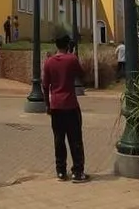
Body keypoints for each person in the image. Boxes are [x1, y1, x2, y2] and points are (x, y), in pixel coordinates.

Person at [42, 35, 89, 183]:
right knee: (75, 139)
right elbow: (82, 75)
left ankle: (61, 171)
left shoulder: (48, 62)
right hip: (70, 104)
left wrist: (47, 105)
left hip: (56, 105)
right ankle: (77, 171)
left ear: (56, 45)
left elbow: (45, 86)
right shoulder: (72, 59)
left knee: (59, 139)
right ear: (68, 45)